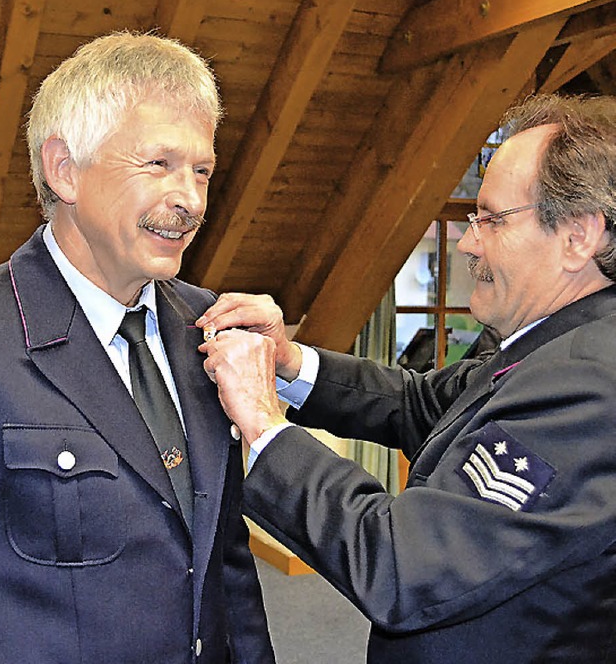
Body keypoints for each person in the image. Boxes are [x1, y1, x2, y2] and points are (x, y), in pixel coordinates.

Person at [198, 93, 616, 662]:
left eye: (491, 220)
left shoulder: (588, 385)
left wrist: (264, 421)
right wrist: (287, 361)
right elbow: (421, 403)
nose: (468, 242)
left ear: (578, 237)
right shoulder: (555, 344)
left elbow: (400, 566)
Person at [0, 31, 275, 663]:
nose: (189, 200)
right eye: (159, 164)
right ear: (65, 170)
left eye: (202, 171)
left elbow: (225, 564)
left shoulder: (206, 323)